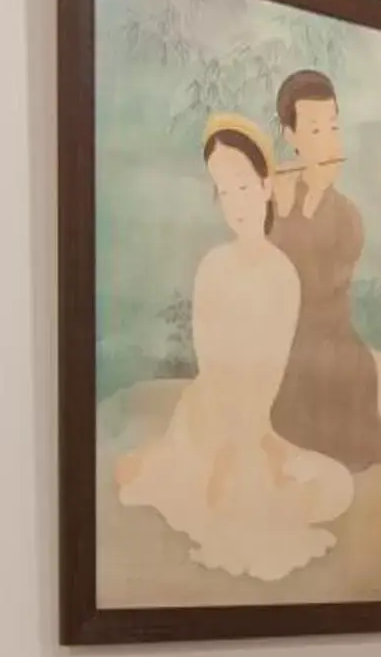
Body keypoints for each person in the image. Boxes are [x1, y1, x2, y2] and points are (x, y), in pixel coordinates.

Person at [114, 118, 352, 580]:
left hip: (253, 417)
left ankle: (231, 468)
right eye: (223, 191)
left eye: (242, 186)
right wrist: (228, 444)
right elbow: (212, 366)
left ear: (265, 186)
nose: (235, 203)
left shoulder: (283, 275)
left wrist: (254, 441)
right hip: (207, 414)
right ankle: (177, 463)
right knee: (211, 496)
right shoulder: (213, 268)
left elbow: (269, 375)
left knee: (332, 489)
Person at [268, 68, 381, 468]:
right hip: (281, 356)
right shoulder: (271, 201)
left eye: (333, 127)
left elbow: (323, 298)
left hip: (336, 353)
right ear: (290, 136)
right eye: (313, 130)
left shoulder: (347, 216)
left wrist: (307, 197)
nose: (328, 141)